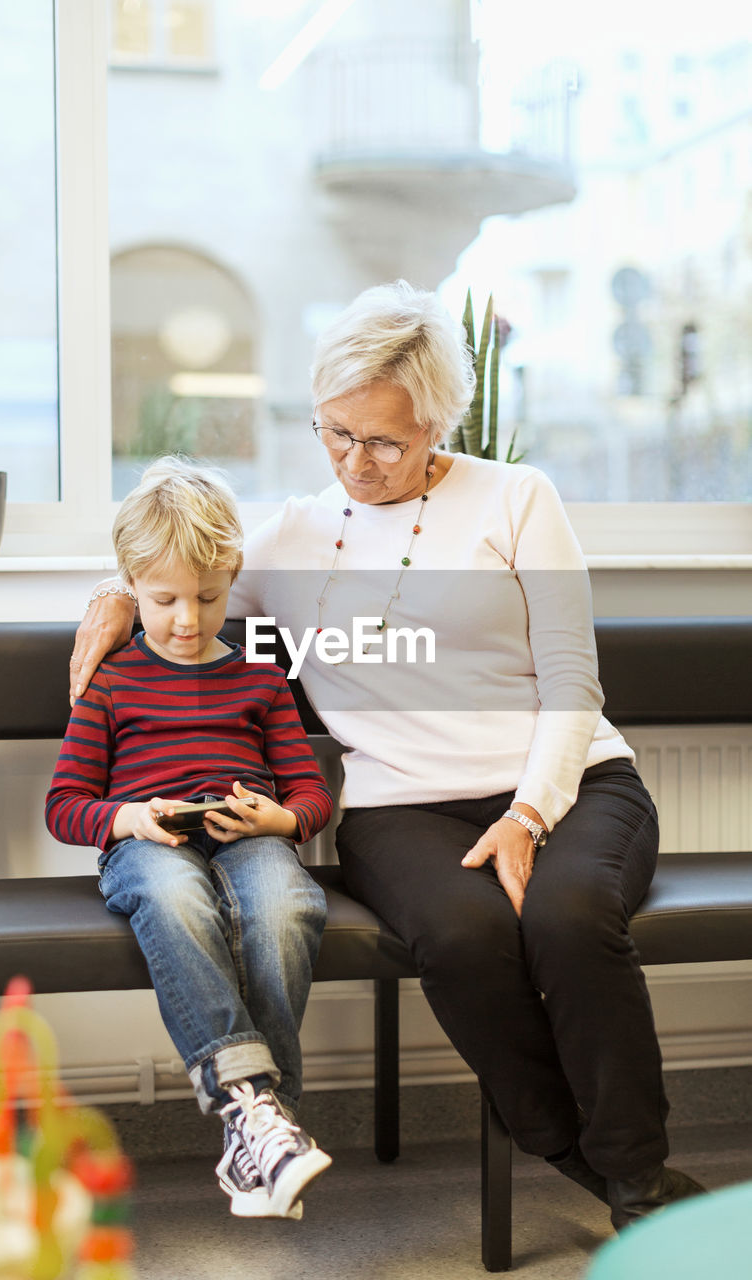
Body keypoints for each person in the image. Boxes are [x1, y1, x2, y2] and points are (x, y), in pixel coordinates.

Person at [69, 282, 704, 1234]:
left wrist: (528, 814)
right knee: (460, 937)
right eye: (334, 433)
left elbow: (574, 680)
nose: (355, 463)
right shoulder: (289, 536)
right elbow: (183, 584)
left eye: (385, 443)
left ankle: (638, 1181)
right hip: (400, 807)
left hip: (568, 787)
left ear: (439, 421)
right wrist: (112, 593)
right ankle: (574, 1151)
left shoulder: (518, 498)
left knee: (569, 919)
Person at [47, 457, 333, 1220]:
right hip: (149, 844)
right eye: (164, 599)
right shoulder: (109, 683)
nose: (186, 618)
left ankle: (257, 1135)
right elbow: (65, 804)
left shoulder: (262, 681)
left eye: (208, 598)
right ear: (130, 585)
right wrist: (128, 818)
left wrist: (281, 819)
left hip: (246, 838)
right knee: (176, 897)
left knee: (285, 905)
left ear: (232, 577)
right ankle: (260, 1115)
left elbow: (309, 792)